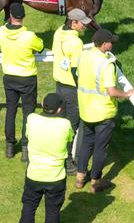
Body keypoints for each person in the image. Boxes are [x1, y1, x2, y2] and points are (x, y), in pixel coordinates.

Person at [75, 28, 134, 192]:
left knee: (86, 143)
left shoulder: (85, 54)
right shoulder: (107, 64)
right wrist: (127, 94)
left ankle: (80, 177)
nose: (113, 44)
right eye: (111, 42)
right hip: (103, 113)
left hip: (86, 109)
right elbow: (111, 91)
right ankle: (96, 181)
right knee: (100, 148)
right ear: (104, 45)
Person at [0, 1, 42, 161]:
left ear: (10, 16)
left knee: (11, 111)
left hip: (9, 77)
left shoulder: (2, 31)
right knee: (28, 114)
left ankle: (10, 146)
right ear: (23, 17)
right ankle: (25, 148)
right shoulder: (29, 36)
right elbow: (40, 47)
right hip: (27, 78)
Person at [19, 93, 73, 223]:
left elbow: (27, 133)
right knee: (53, 211)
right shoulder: (65, 124)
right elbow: (70, 138)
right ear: (59, 110)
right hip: (56, 177)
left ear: (42, 105)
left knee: (29, 206)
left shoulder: (32, 119)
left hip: (34, 174)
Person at [51, 9, 91, 171]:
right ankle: (67, 162)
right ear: (73, 23)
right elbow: (76, 71)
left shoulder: (59, 32)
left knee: (60, 124)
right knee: (71, 127)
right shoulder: (76, 43)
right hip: (71, 89)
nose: (85, 26)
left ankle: (56, 157)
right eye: (82, 23)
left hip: (59, 85)